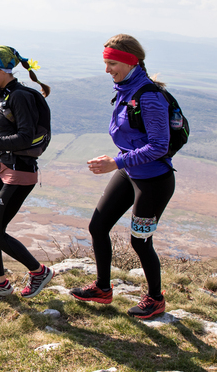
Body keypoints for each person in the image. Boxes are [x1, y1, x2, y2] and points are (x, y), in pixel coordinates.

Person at [70, 34, 175, 319]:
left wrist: (116, 162)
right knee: (98, 226)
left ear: (130, 62)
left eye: (112, 63)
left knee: (140, 241)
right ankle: (103, 289)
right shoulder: (126, 89)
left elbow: (158, 147)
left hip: (153, 182)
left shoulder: (148, 96)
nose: (107, 70)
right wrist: (121, 164)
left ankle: (156, 299)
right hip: (130, 174)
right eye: (106, 63)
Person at [0, 45, 54, 300]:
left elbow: (25, 137)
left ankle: (38, 272)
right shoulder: (4, 93)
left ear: (2, 70)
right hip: (5, 167)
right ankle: (0, 282)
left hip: (20, 172)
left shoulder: (19, 96)